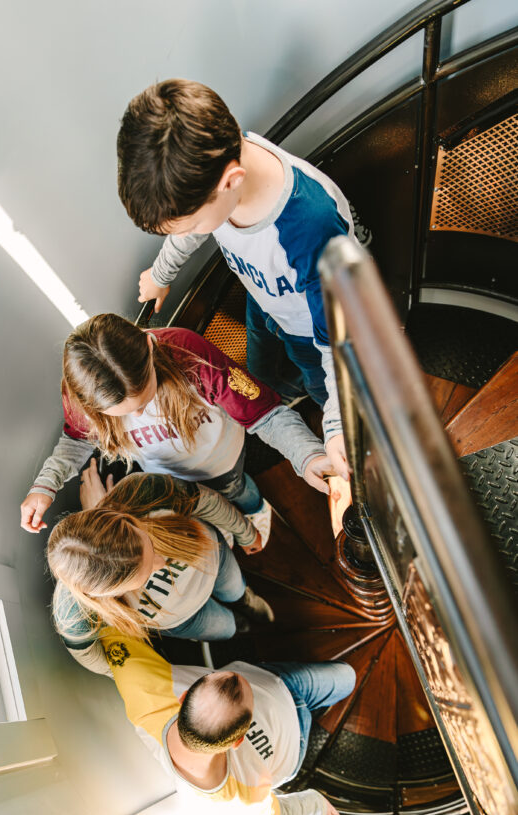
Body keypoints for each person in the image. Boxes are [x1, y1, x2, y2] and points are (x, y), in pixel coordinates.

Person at [116, 78, 355, 482]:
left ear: (231, 180)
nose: (191, 230)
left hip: (314, 333)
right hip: (264, 303)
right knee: (262, 376)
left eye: (193, 220)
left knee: (321, 385)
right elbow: (188, 231)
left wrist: (336, 424)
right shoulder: (210, 158)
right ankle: (286, 401)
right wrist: (160, 275)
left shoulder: (309, 229)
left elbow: (341, 337)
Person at [20, 314, 333, 536]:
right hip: (165, 472)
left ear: (150, 346)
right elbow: (76, 440)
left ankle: (254, 509)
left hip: (221, 459)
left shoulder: (187, 352)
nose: (140, 416)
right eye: (122, 413)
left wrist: (306, 454)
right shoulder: (77, 394)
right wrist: (46, 484)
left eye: (144, 401)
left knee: (238, 490)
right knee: (205, 506)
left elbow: (265, 412)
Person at [99, 629, 355, 815]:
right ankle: (315, 710)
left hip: (274, 678)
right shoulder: (238, 801)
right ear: (237, 741)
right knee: (348, 678)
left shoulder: (148, 691)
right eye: (250, 701)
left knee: (345, 679)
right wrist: (316, 806)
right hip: (294, 736)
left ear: (184, 696)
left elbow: (101, 621)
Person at [47, 470, 275, 674]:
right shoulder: (73, 614)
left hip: (214, 558)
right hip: (183, 619)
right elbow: (90, 657)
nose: (161, 564)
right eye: (144, 576)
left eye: (151, 547)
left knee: (238, 591)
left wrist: (245, 532)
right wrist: (125, 670)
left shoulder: (142, 492)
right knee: (228, 629)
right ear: (107, 593)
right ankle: (243, 626)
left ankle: (247, 603)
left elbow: (207, 502)